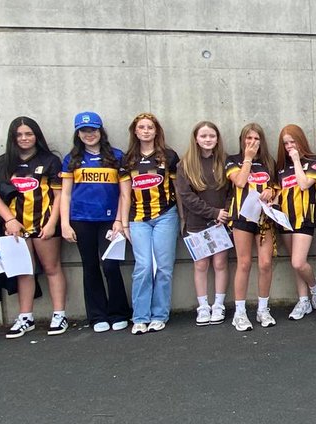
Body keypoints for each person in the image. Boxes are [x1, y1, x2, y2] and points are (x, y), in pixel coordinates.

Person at [0, 116, 68, 337]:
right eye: (19, 134)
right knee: (25, 271)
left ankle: (59, 314)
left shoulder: (50, 160)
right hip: (16, 228)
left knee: (52, 268)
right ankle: (26, 316)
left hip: (44, 224)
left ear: (36, 135)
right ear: (13, 137)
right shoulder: (4, 161)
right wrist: (9, 220)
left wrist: (53, 224)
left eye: (29, 133)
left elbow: (60, 194)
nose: (24, 138)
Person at [59, 111, 130, 333]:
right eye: (84, 130)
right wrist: (64, 223)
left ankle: (119, 312)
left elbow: (124, 193)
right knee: (90, 267)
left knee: (110, 266)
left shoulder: (117, 156)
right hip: (81, 220)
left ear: (101, 131)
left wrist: (120, 220)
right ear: (78, 133)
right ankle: (97, 315)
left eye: (93, 130)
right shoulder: (71, 160)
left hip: (110, 220)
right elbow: (66, 194)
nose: (89, 134)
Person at [118, 113, 180, 335]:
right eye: (141, 127)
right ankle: (140, 317)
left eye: (150, 127)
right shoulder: (127, 160)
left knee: (163, 267)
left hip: (166, 215)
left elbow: (178, 192)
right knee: (143, 267)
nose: (145, 131)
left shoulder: (169, 156)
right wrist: (123, 224)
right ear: (135, 131)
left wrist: (182, 219)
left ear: (156, 131)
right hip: (138, 219)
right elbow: (125, 196)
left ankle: (159, 315)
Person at [176, 121, 231, 325]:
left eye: (212, 136)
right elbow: (186, 196)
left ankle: (218, 305)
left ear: (217, 139)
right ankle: (203, 307)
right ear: (196, 138)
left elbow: (231, 192)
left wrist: (223, 213)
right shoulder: (185, 164)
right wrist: (212, 212)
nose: (208, 140)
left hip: (221, 223)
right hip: (197, 222)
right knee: (200, 264)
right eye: (203, 136)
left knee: (219, 263)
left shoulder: (225, 161)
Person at [225, 122, 276, 330]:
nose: (253, 142)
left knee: (265, 263)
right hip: (242, 217)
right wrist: (247, 157)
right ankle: (240, 312)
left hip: (265, 218)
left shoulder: (268, 162)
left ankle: (263, 309)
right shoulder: (233, 160)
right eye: (249, 138)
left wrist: (271, 192)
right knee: (244, 263)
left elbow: (276, 187)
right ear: (242, 140)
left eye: (256, 139)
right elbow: (239, 182)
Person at [275, 124, 316, 320]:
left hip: (305, 218)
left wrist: (296, 160)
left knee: (298, 262)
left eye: (292, 141)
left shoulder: (314, 161)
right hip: (285, 219)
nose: (288, 146)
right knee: (293, 263)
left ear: (300, 140)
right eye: (285, 143)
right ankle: (303, 300)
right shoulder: (280, 166)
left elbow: (304, 185)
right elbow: (279, 190)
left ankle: (315, 287)